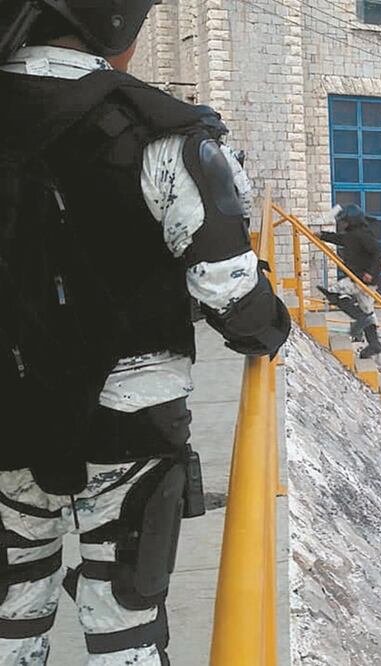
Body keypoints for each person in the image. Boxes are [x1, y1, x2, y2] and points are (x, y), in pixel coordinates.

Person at [0, 3, 291, 662]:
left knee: (12, 605)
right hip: (127, 414)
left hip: (8, 411)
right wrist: (270, 332)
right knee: (123, 610)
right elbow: (227, 288)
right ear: (115, 25)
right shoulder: (160, 131)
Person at [318, 205, 381, 358]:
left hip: (361, 279)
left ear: (352, 220)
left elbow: (379, 251)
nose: (343, 224)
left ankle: (360, 319)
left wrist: (371, 272)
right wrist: (322, 235)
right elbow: (340, 239)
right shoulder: (353, 235)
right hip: (363, 279)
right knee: (367, 311)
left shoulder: (362, 235)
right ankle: (374, 343)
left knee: (334, 292)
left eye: (345, 221)